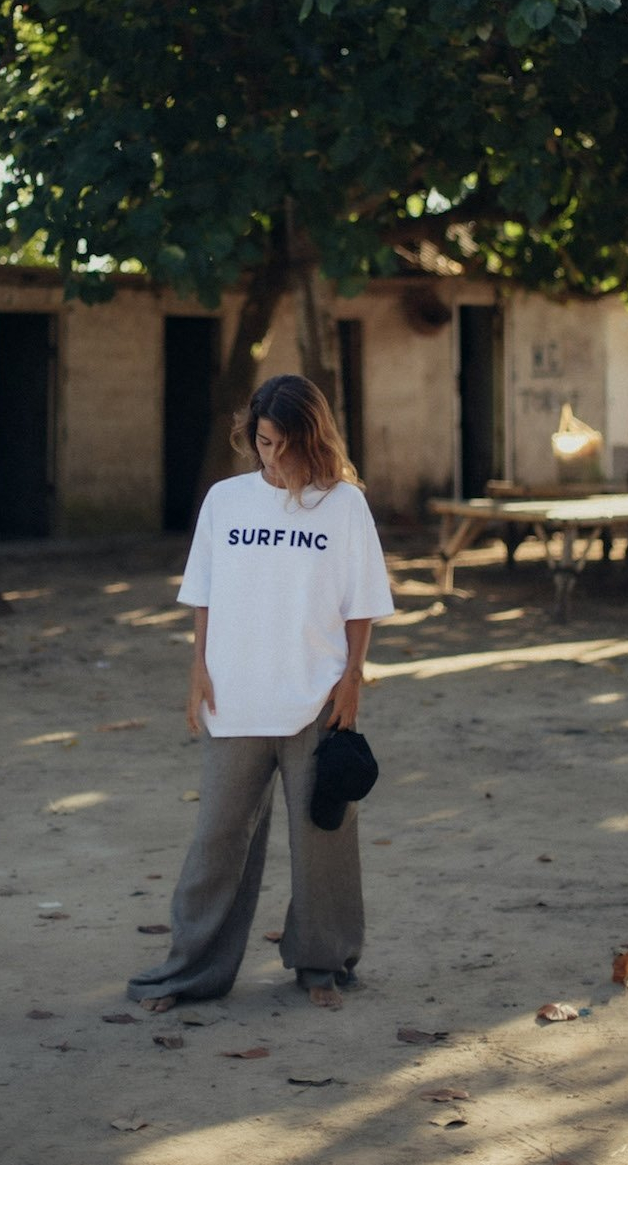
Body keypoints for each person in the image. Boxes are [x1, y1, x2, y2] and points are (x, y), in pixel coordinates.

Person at [126, 373, 396, 1013]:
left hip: (316, 699)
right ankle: (191, 970)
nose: (272, 459)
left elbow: (362, 603)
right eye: (263, 443)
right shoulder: (226, 500)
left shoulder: (344, 505)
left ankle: (322, 965)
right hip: (236, 696)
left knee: (323, 839)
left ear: (313, 439)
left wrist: (353, 677)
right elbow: (205, 593)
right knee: (216, 839)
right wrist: (198, 668)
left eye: (283, 445)